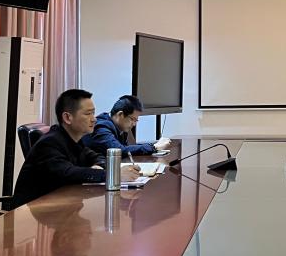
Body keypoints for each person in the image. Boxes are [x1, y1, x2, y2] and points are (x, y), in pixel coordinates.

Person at [9, 89, 138, 210]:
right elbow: (69, 173)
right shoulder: (49, 143)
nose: (94, 119)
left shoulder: (74, 140)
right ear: (67, 117)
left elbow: (95, 157)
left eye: (93, 113)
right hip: (31, 213)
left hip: (59, 207)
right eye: (88, 114)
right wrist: (114, 175)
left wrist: (102, 166)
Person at [82, 94, 171, 157]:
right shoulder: (101, 128)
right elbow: (119, 151)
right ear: (120, 114)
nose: (134, 124)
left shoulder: (118, 126)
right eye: (132, 119)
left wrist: (153, 145)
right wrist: (154, 147)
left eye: (136, 120)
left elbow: (128, 147)